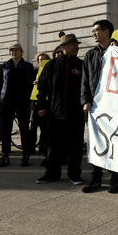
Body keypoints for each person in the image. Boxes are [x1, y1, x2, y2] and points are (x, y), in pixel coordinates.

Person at [36, 34, 84, 185]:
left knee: (75, 147)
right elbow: (42, 88)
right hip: (55, 114)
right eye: (73, 44)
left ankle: (75, 175)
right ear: (63, 48)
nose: (76, 47)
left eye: (77, 44)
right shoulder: (51, 65)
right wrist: (42, 106)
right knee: (53, 147)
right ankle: (51, 173)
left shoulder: (81, 65)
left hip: (75, 114)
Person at [81, 19, 118, 194]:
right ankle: (96, 178)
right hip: (94, 107)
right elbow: (84, 80)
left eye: (96, 30)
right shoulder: (90, 55)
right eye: (93, 31)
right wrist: (85, 100)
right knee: (95, 143)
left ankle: (115, 179)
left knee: (114, 141)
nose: (93, 33)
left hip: (114, 106)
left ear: (107, 31)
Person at [0, 43, 35, 167]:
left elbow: (33, 86)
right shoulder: (5, 66)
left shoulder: (28, 66)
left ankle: (25, 155)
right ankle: (5, 155)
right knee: (6, 130)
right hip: (7, 101)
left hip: (23, 101)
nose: (14, 52)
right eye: (11, 50)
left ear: (21, 52)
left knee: (24, 129)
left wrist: (32, 102)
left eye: (16, 50)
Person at [30, 52, 51, 159]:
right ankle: (32, 147)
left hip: (46, 102)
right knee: (33, 126)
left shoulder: (50, 70)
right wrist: (32, 103)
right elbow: (32, 90)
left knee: (44, 127)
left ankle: (42, 147)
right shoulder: (36, 71)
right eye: (40, 60)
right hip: (36, 101)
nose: (41, 61)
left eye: (43, 59)